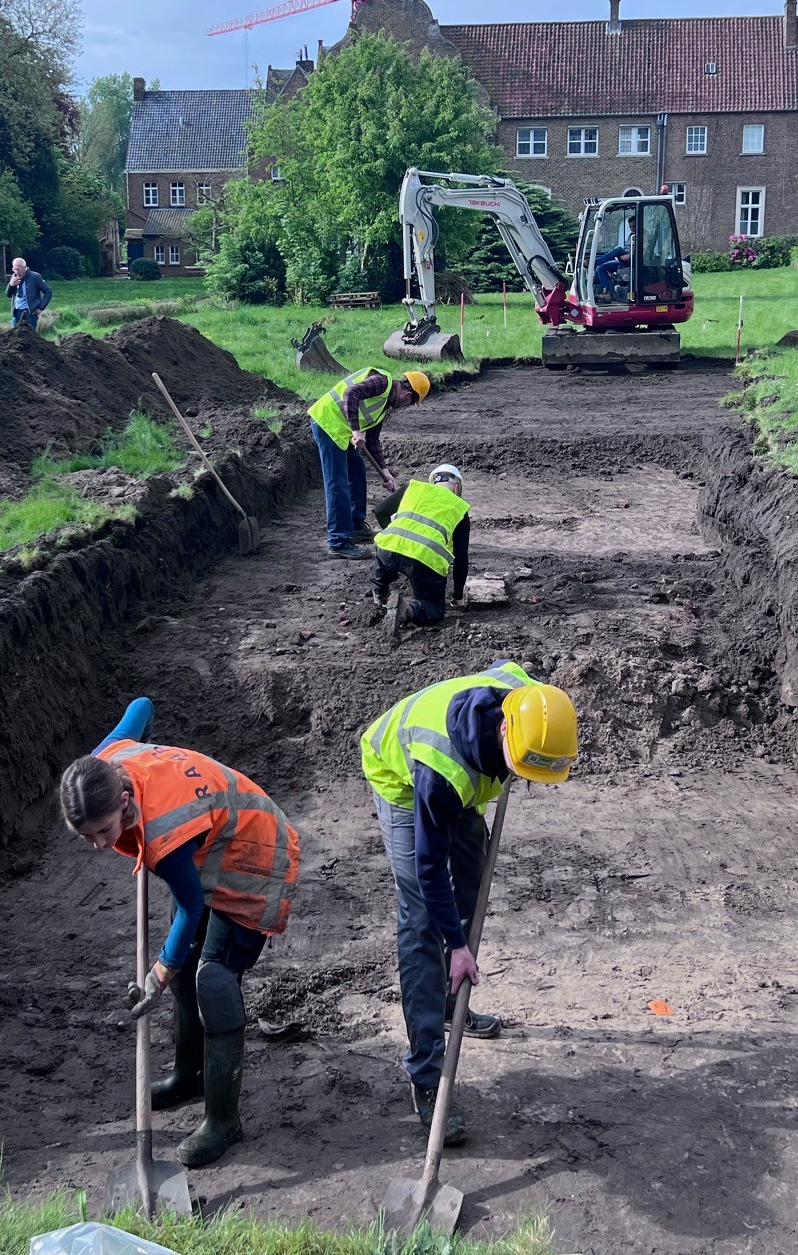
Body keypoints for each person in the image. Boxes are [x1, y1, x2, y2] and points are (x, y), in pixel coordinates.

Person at [60, 697, 300, 1168]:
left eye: (103, 831)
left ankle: (223, 1120)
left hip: (253, 855)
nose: (97, 846)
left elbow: (191, 907)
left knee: (211, 978)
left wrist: (157, 975)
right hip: (206, 850)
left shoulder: (166, 835)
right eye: (85, 836)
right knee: (188, 962)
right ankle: (188, 1076)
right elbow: (143, 706)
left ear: (124, 802)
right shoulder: (106, 761)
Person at [360, 663, 577, 1142]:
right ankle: (425, 1076)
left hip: (469, 771)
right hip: (401, 780)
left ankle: (448, 1003)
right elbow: (429, 867)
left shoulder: (526, 699)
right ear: (504, 728)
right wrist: (457, 945)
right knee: (421, 920)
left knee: (473, 886)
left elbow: (512, 676)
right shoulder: (441, 774)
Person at [306, 367, 430, 560]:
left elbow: (372, 440)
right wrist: (356, 431)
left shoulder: (383, 407)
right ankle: (338, 542)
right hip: (328, 424)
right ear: (408, 394)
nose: (408, 405)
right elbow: (351, 393)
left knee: (358, 470)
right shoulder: (381, 382)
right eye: (412, 402)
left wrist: (385, 471)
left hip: (341, 431)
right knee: (337, 485)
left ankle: (356, 527)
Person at [373, 463, 470, 636]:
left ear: (433, 483)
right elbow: (461, 558)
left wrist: (396, 536)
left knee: (383, 571)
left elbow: (380, 510)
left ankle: (380, 595)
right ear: (456, 488)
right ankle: (407, 610)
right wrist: (457, 597)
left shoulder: (413, 487)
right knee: (433, 609)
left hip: (389, 549)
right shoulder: (458, 507)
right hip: (425, 560)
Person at [9, 257, 52, 331]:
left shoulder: (35, 277)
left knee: (29, 336)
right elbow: (8, 295)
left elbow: (48, 292)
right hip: (16, 313)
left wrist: (40, 308)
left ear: (24, 268)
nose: (16, 272)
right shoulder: (14, 277)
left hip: (30, 313)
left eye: (18, 269)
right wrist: (11, 285)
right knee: (13, 337)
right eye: (14, 269)